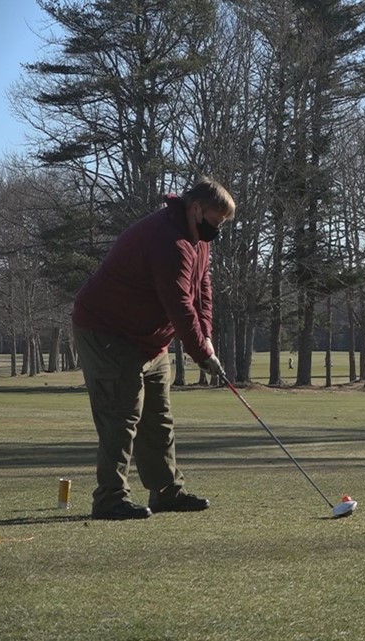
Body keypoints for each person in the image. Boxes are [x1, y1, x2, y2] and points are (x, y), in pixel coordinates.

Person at [72, 178, 235, 520]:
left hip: (150, 340)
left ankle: (166, 492)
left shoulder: (197, 240)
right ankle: (109, 498)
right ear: (195, 209)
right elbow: (178, 304)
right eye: (215, 221)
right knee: (122, 415)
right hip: (107, 331)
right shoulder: (168, 239)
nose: (216, 231)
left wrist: (206, 336)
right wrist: (202, 354)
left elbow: (202, 290)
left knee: (158, 418)